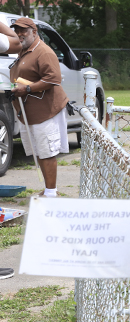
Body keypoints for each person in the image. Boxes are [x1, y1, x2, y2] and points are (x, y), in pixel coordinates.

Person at [9, 17, 67, 202]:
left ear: (34, 32)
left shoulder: (43, 51)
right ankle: (48, 190)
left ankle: (51, 192)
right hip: (29, 112)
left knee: (47, 151)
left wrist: (26, 89)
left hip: (45, 111)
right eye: (17, 30)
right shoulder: (24, 50)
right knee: (40, 151)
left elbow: (53, 79)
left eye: (23, 30)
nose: (19, 34)